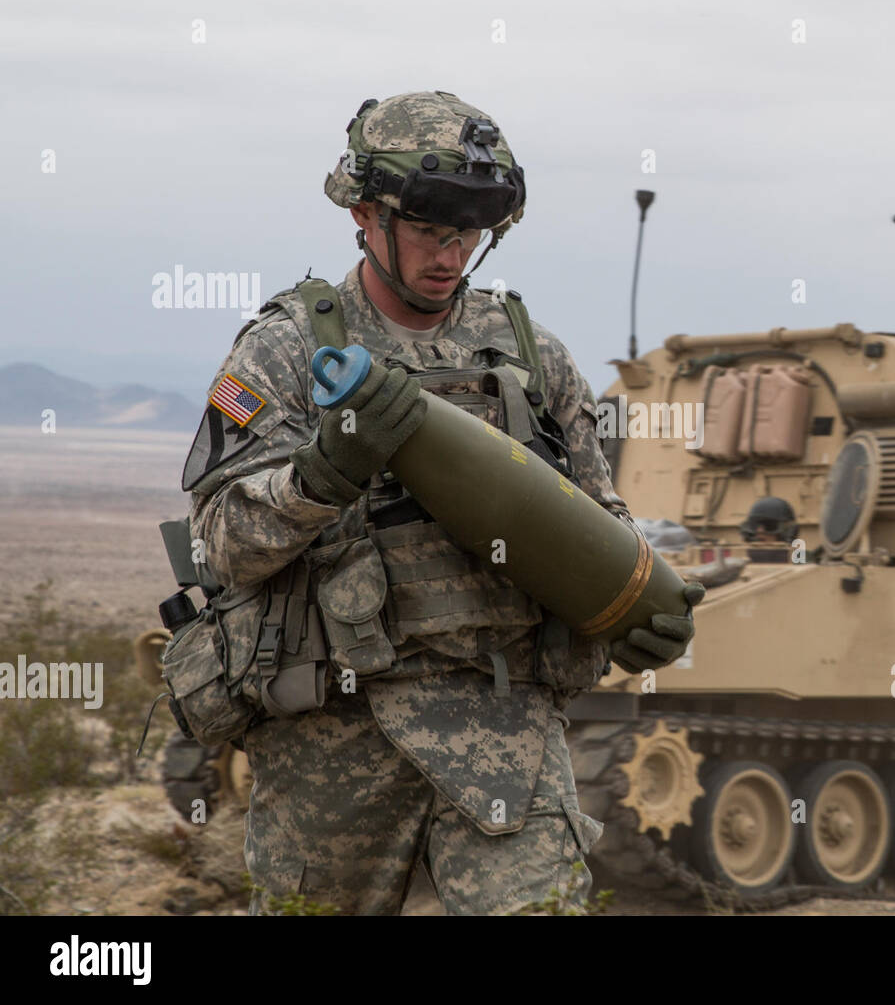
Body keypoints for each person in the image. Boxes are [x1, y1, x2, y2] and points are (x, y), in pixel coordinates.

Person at [180, 90, 702, 914]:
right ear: (363, 211)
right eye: (429, 229)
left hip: (506, 734)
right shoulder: (282, 350)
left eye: (471, 233)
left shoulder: (532, 359)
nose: (451, 254)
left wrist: (632, 605)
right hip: (335, 746)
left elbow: (601, 515)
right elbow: (220, 544)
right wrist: (319, 479)